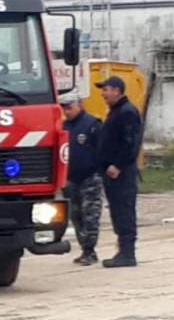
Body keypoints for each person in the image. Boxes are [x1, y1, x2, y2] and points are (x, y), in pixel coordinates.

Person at [95, 76, 142, 268]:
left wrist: (117, 165)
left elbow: (130, 143)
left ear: (117, 90)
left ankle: (128, 253)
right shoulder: (116, 111)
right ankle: (122, 250)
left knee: (124, 210)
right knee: (117, 210)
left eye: (106, 89)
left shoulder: (127, 112)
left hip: (121, 172)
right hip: (111, 171)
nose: (103, 94)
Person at [60, 94, 103, 266]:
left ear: (80, 105)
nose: (67, 111)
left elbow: (102, 149)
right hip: (70, 179)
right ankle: (84, 249)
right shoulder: (63, 127)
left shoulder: (92, 125)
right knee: (76, 215)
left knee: (90, 215)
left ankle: (90, 250)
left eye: (70, 107)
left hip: (90, 178)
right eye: (64, 108)